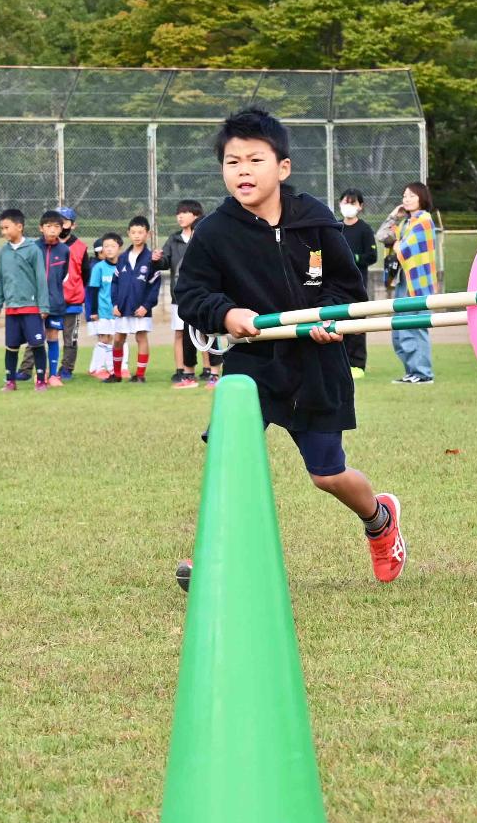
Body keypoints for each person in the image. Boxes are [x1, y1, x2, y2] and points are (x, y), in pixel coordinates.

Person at [173, 105, 408, 587]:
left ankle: (380, 519)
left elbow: (348, 289)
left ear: (282, 167)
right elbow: (190, 294)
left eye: (254, 160)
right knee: (229, 450)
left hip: (315, 363)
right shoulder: (215, 233)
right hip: (253, 361)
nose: (243, 171)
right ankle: (216, 555)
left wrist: (332, 319)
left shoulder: (316, 221)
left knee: (327, 474)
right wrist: (227, 313)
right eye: (232, 161)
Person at [378, 182, 439, 384]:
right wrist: (393, 216)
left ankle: (423, 373)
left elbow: (405, 248)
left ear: (422, 198)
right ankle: (412, 371)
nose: (406, 199)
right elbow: (382, 236)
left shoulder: (424, 220)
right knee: (400, 328)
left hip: (419, 282)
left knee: (416, 326)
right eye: (404, 196)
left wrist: (396, 244)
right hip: (404, 281)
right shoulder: (405, 222)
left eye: (411, 195)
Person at [0, 208, 52, 393]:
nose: (3, 232)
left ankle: (41, 380)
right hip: (12, 308)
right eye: (1, 228)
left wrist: (43, 305)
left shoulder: (33, 250)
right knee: (11, 346)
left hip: (31, 308)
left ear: (19, 227)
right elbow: (0, 279)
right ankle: (10, 381)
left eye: (6, 227)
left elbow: (41, 279)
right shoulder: (4, 252)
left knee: (36, 344)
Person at [17, 211, 81, 383]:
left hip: (55, 302)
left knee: (53, 336)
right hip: (34, 303)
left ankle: (53, 375)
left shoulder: (65, 250)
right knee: (36, 338)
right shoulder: (32, 248)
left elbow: (63, 276)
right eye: (49, 226)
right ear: (41, 228)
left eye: (56, 227)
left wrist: (52, 293)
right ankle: (39, 374)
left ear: (61, 229)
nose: (52, 230)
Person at [164, 200, 213, 389]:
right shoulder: (174, 239)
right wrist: (157, 260)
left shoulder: (203, 237)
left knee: (206, 332)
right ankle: (183, 371)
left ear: (196, 215)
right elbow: (166, 263)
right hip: (180, 297)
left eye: (185, 212)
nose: (180, 216)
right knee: (183, 334)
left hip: (203, 296)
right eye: (178, 213)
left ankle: (210, 370)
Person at [110, 216, 163, 383]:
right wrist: (115, 304)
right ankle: (117, 375)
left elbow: (155, 285)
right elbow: (115, 282)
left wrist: (146, 306)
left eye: (140, 232)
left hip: (140, 308)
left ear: (147, 234)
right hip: (122, 307)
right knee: (118, 338)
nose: (137, 235)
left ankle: (140, 375)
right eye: (133, 232)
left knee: (141, 337)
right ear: (128, 234)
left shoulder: (151, 259)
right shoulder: (123, 257)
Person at [335, 189, 378, 380]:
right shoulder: (335, 228)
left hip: (358, 285)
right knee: (337, 325)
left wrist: (353, 258)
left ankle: (357, 364)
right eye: (345, 202)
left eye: (353, 203)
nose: (348, 207)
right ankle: (339, 364)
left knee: (357, 327)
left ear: (360, 206)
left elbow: (372, 256)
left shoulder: (365, 229)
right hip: (335, 286)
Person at [54, 207, 91, 379]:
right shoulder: (46, 245)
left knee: (70, 339)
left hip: (72, 303)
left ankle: (67, 369)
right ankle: (29, 369)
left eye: (65, 222)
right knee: (43, 337)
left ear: (73, 225)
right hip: (50, 301)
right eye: (57, 222)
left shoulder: (80, 248)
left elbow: (85, 275)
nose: (61, 226)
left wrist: (76, 292)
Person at [87, 234, 121, 380]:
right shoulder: (98, 268)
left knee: (114, 339)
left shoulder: (121, 266)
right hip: (102, 310)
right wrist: (94, 311)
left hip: (117, 311)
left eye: (112, 246)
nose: (108, 249)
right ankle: (96, 368)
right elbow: (93, 290)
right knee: (103, 339)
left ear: (119, 247)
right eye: (106, 247)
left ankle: (113, 368)